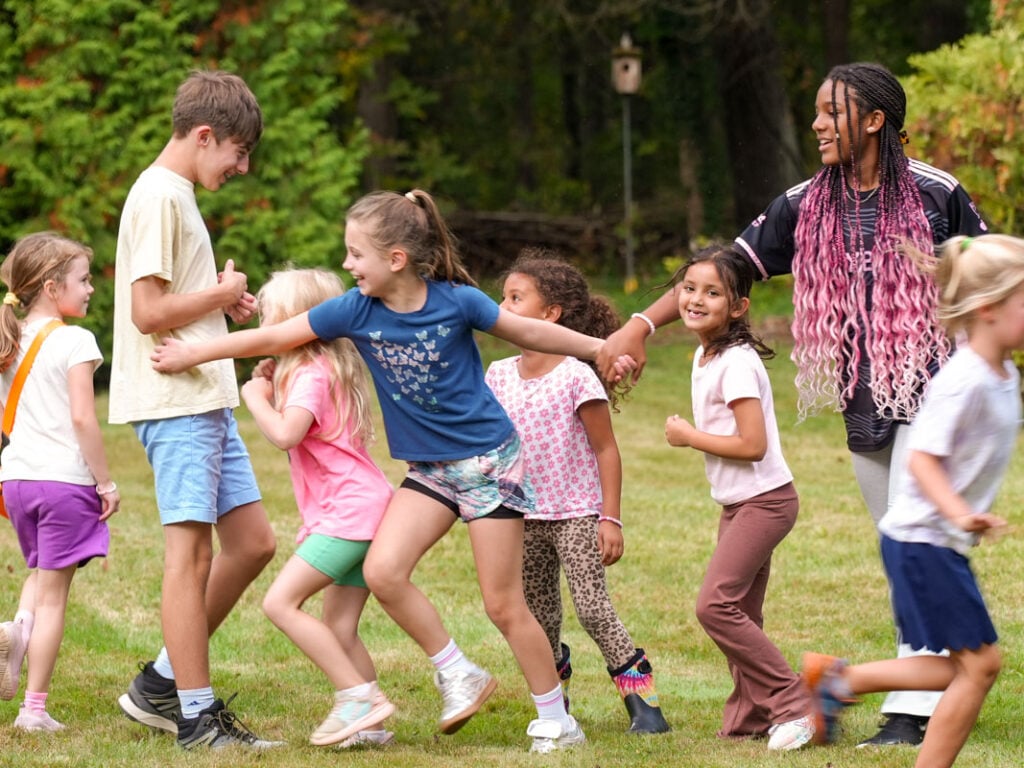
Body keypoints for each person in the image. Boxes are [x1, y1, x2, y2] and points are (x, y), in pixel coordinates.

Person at [148, 189, 638, 753]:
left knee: (503, 604)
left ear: (396, 259)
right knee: (382, 571)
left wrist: (599, 348)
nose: (348, 264)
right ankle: (459, 672)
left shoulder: (458, 302)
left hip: (487, 462)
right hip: (429, 469)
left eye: (356, 254)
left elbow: (530, 332)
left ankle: (556, 720)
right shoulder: (355, 310)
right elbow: (276, 336)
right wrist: (193, 354)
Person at [597, 61, 988, 747]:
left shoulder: (937, 193)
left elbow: (994, 278)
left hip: (935, 395)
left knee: (912, 540)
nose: (817, 125)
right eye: (817, 112)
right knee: (897, 545)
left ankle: (910, 710)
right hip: (864, 401)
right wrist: (640, 325)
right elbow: (726, 269)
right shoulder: (806, 203)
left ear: (875, 120)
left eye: (832, 112)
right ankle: (925, 687)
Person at [109, 70, 281, 750]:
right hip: (174, 402)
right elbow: (147, 312)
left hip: (204, 397)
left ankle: (159, 682)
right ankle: (196, 718)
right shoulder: (159, 195)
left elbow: (170, 297)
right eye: (239, 152)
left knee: (254, 542)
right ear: (205, 135)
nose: (242, 167)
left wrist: (217, 301)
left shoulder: (175, 195)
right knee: (191, 556)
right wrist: (220, 294)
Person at [802, 233, 1020, 768]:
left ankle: (838, 680)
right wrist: (958, 512)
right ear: (989, 309)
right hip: (922, 540)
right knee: (981, 667)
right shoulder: (964, 379)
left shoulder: (1002, 370)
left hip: (934, 543)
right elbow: (921, 458)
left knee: (967, 667)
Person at [484, 251, 671, 736]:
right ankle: (556, 707)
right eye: (503, 297)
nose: (502, 307)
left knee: (592, 608)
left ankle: (644, 704)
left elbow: (606, 450)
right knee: (540, 618)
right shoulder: (497, 374)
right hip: (521, 516)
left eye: (515, 298)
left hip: (577, 514)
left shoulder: (575, 374)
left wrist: (611, 518)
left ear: (551, 314)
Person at [662, 244, 813, 750]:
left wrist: (689, 436)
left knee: (715, 606)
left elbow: (753, 445)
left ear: (738, 306)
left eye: (712, 293)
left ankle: (794, 703)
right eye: (689, 288)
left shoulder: (737, 365)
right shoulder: (706, 354)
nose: (695, 299)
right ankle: (750, 715)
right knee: (742, 612)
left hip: (765, 502)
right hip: (740, 503)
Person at [245, 267, 397, 747]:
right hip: (367, 508)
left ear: (296, 321)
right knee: (340, 626)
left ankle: (356, 698)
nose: (263, 326)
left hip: (348, 515)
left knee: (279, 603)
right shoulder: (324, 367)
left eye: (270, 317)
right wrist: (276, 383)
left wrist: (254, 397)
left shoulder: (310, 375)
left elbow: (286, 434)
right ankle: (369, 726)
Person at [0, 232, 121, 732]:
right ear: (52, 288)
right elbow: (83, 418)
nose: (91, 289)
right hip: (63, 482)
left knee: (40, 572)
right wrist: (105, 482)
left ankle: (15, 632)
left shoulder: (8, 338)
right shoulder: (75, 341)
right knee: (54, 595)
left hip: (16, 481)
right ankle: (33, 710)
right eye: (84, 280)